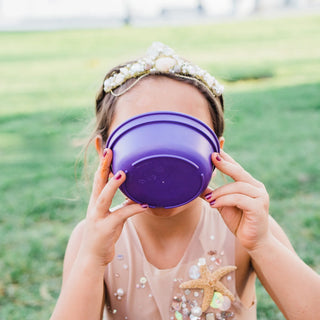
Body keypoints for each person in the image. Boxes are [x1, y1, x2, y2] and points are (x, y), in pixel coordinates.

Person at [50, 42, 320, 320]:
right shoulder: (91, 239)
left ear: (216, 151)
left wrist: (262, 244)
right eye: (143, 134)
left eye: (182, 134)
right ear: (104, 153)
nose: (163, 155)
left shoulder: (248, 228)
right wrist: (92, 260)